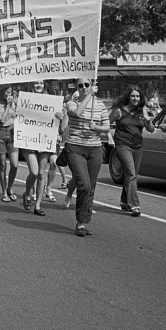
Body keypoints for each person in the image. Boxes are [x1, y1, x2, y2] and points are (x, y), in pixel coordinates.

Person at [63, 78, 109, 237]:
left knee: (91, 186)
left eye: (86, 85)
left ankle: (82, 222)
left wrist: (97, 127)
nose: (83, 87)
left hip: (95, 149)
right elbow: (76, 113)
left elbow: (107, 126)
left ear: (91, 86)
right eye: (80, 85)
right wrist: (88, 95)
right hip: (75, 148)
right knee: (84, 184)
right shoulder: (72, 102)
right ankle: (80, 220)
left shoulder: (100, 105)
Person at [110, 86, 155, 217]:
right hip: (122, 145)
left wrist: (147, 120)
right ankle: (134, 205)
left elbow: (151, 129)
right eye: (133, 96)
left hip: (137, 146)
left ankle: (124, 201)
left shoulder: (143, 110)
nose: (135, 99)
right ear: (128, 97)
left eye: (138, 96)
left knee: (131, 175)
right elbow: (107, 123)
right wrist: (109, 137)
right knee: (131, 173)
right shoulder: (119, 110)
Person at [20, 81, 63, 216]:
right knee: (34, 171)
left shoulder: (50, 101)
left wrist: (60, 118)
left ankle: (38, 205)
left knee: (41, 173)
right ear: (31, 85)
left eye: (41, 83)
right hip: (30, 142)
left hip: (44, 142)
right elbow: (20, 118)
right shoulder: (25, 100)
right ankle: (27, 194)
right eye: (36, 83)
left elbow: (57, 124)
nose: (39, 85)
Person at [0, 85, 19, 203]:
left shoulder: (13, 103)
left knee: (14, 164)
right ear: (1, 92)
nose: (9, 95)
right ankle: (4, 192)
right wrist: (8, 105)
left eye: (11, 92)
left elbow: (16, 116)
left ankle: (10, 187)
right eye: (7, 92)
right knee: (3, 165)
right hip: (0, 133)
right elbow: (1, 119)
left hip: (11, 133)